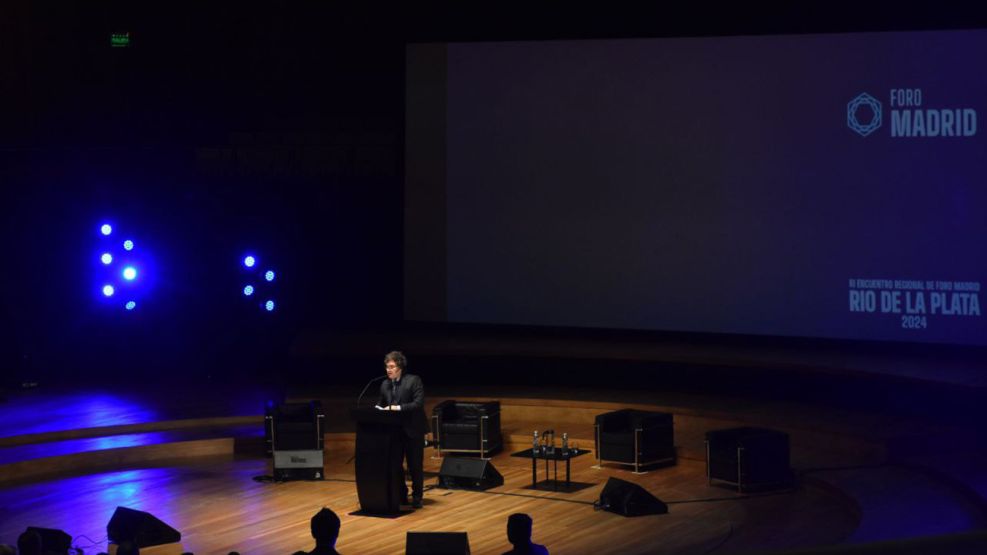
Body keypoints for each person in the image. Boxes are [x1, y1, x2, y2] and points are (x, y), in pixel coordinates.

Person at [376, 350, 427, 508]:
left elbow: (418, 404)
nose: (388, 370)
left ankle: (417, 496)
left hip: (413, 431)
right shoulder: (384, 384)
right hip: (395, 433)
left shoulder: (413, 381)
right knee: (395, 465)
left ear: (400, 367)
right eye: (387, 367)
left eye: (391, 366)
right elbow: (381, 403)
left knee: (415, 466)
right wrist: (376, 409)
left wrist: (397, 408)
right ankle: (402, 493)